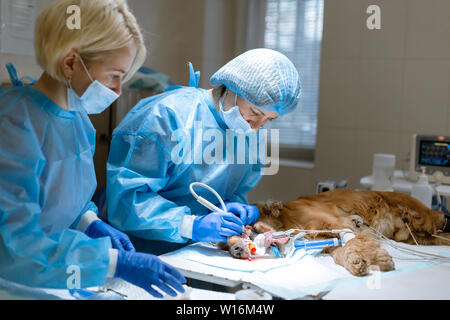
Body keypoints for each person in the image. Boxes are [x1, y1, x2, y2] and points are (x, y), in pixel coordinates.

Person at [0, 0, 185, 299]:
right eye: (114, 75)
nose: (118, 91)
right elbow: (14, 247)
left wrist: (89, 222)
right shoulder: (14, 124)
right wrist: (113, 263)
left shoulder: (78, 121)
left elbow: (65, 202)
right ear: (71, 63)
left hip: (57, 275)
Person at [106, 48, 302, 254]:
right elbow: (127, 201)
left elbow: (235, 188)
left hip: (201, 252)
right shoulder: (165, 116)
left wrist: (228, 206)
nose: (257, 125)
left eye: (269, 119)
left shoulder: (248, 134)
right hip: (142, 250)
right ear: (233, 88)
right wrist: (191, 225)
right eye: (255, 112)